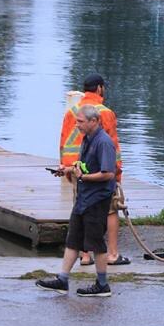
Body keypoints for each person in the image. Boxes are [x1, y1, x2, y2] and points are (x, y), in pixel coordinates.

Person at [37, 105, 118, 297]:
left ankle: (102, 284)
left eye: (80, 122)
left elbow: (108, 174)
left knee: (96, 243)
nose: (77, 125)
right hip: (83, 199)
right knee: (72, 240)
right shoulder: (87, 139)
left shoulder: (104, 142)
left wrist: (83, 178)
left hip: (97, 200)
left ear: (94, 121)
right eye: (77, 121)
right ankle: (62, 279)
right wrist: (68, 169)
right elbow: (83, 167)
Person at [59, 73, 129, 266]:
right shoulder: (104, 112)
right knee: (111, 210)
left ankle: (85, 256)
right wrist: (117, 175)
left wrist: (65, 169)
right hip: (98, 173)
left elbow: (63, 141)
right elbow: (112, 146)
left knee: (81, 209)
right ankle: (113, 254)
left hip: (75, 170)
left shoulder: (71, 111)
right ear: (100, 88)